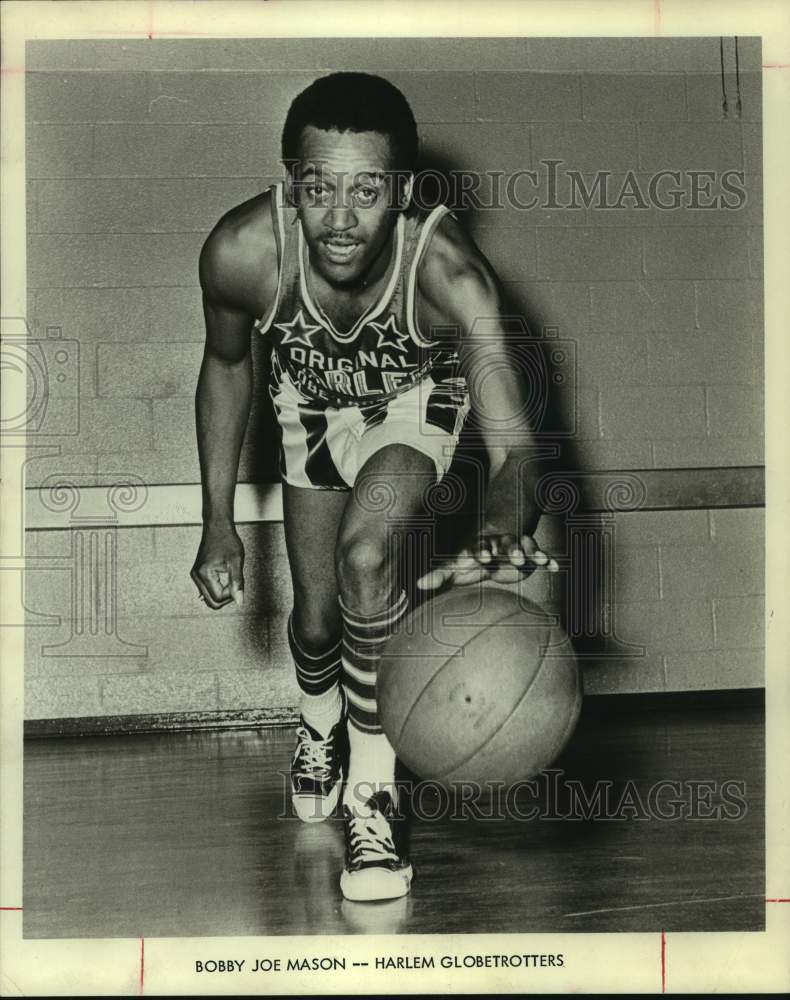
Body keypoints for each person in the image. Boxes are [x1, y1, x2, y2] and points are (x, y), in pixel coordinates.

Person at [191, 72, 557, 903]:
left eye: (366, 191)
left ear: (401, 192)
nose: (341, 218)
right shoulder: (242, 252)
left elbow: (517, 452)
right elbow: (223, 367)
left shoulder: (453, 276)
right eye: (318, 189)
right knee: (316, 623)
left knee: (367, 554)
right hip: (307, 408)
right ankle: (318, 725)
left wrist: (503, 526)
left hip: (410, 407)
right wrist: (217, 520)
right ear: (292, 184)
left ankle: (373, 791)